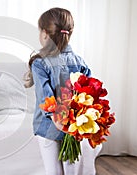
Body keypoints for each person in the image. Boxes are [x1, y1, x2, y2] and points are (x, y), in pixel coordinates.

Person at [24, 8, 101, 175]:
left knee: (54, 172)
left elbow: (46, 97)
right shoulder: (80, 61)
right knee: (72, 170)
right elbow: (90, 95)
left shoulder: (40, 63)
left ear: (44, 33)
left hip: (48, 128)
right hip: (74, 127)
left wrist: (58, 120)